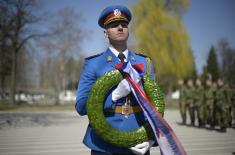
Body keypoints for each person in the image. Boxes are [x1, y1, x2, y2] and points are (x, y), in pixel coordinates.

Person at [75, 5, 157, 155]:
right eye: (114, 25)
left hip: (139, 144)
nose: (120, 28)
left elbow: (155, 107)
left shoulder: (145, 63)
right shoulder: (93, 64)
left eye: (124, 24)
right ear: (105, 33)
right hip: (104, 146)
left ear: (128, 30)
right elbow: (81, 106)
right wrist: (114, 95)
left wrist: (151, 139)